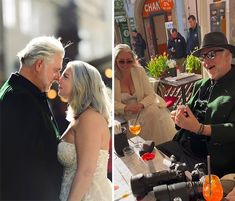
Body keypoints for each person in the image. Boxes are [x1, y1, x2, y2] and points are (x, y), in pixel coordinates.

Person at [157, 32, 235, 177]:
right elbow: (187, 112)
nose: (205, 62)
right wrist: (179, 117)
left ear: (228, 54)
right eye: (203, 57)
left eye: (211, 54)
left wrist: (200, 129)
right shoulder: (201, 84)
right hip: (181, 147)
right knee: (151, 158)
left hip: (210, 162)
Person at [0, 36, 65, 200]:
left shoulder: (24, 92)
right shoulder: (19, 98)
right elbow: (26, 168)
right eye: (56, 69)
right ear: (40, 65)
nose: (58, 77)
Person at [57, 60, 112, 201]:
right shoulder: (80, 117)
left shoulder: (90, 118)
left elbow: (86, 172)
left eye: (66, 76)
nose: (59, 79)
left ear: (81, 84)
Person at [114, 44, 176, 145]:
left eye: (129, 61)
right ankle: (145, 148)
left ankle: (159, 147)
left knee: (153, 111)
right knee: (148, 116)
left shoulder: (139, 71)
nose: (125, 64)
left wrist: (140, 105)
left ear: (133, 60)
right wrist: (127, 108)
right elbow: (111, 103)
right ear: (115, 61)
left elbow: (151, 95)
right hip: (126, 114)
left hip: (143, 107)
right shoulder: (112, 77)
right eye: (121, 61)